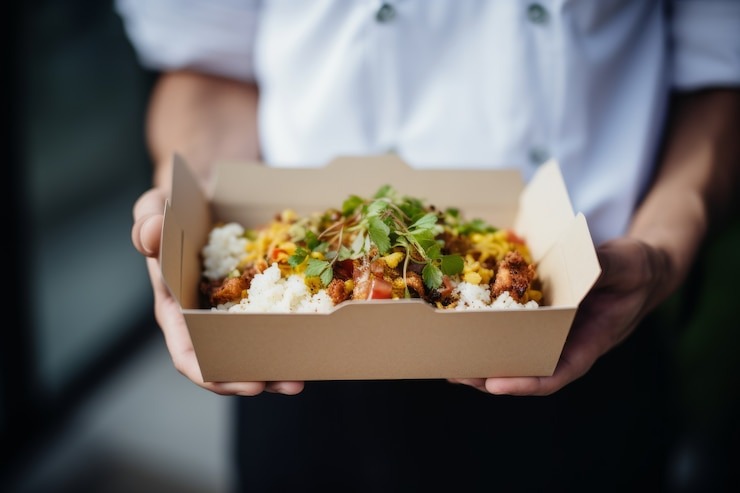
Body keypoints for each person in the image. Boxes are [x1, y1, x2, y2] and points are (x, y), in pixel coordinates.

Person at [117, 1, 740, 491]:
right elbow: (207, 63)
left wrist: (664, 241)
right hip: (291, 366)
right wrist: (188, 208)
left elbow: (721, 65)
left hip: (588, 330)